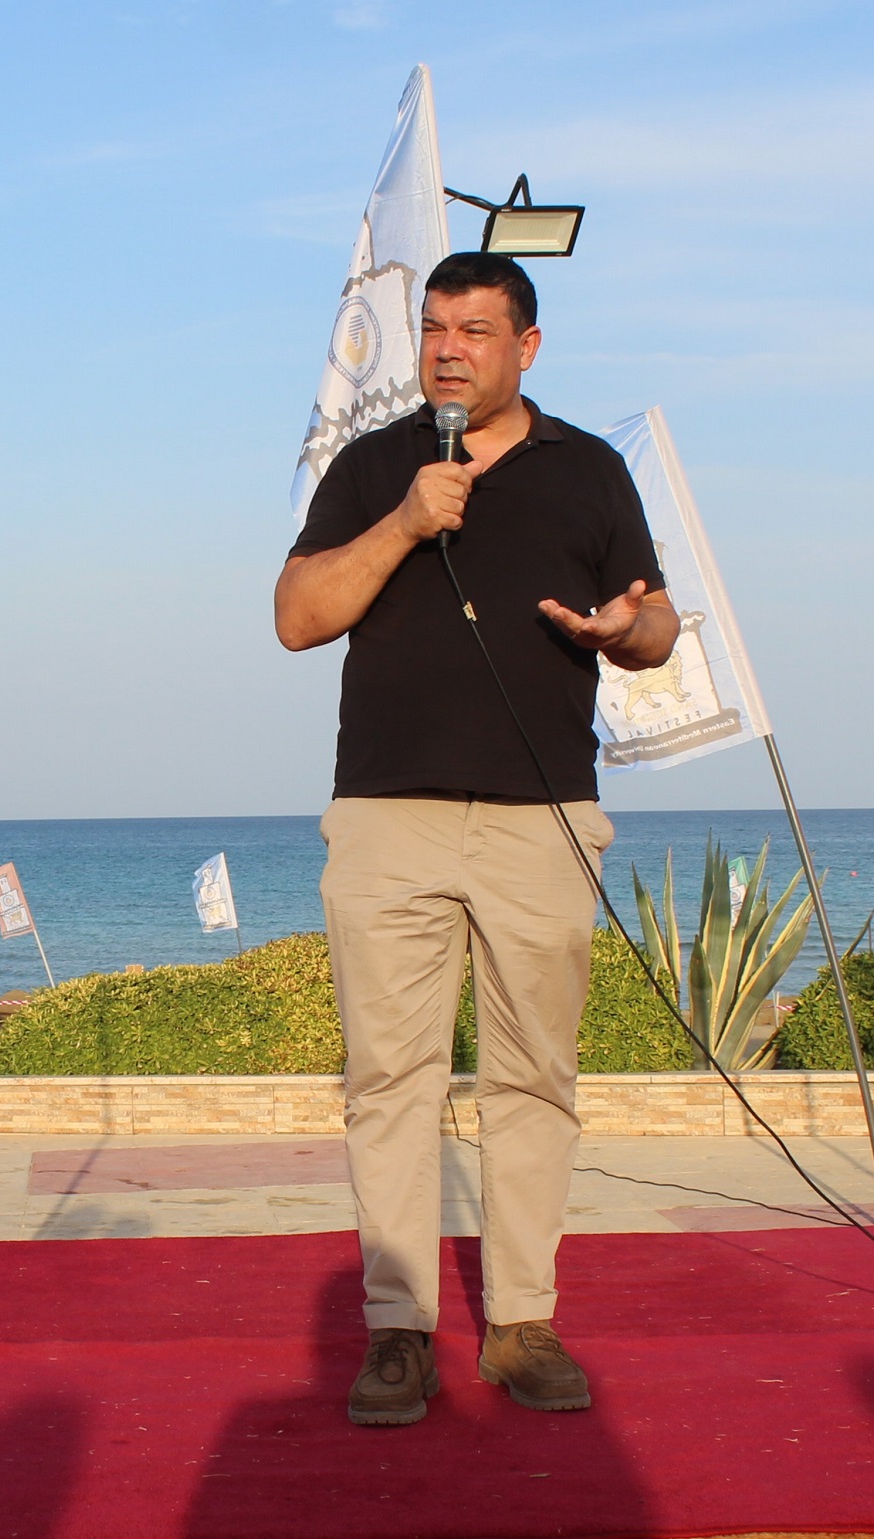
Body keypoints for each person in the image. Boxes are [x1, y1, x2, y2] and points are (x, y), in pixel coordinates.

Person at [274, 252, 676, 1428]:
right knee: (389, 1081)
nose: (449, 349)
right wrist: (405, 523)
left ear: (527, 346)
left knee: (534, 1078)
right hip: (387, 817)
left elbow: (654, 619)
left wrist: (627, 629)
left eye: (477, 330)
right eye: (435, 327)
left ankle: (522, 1324)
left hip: (538, 820)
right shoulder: (374, 466)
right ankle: (399, 1331)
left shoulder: (588, 470)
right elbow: (297, 617)